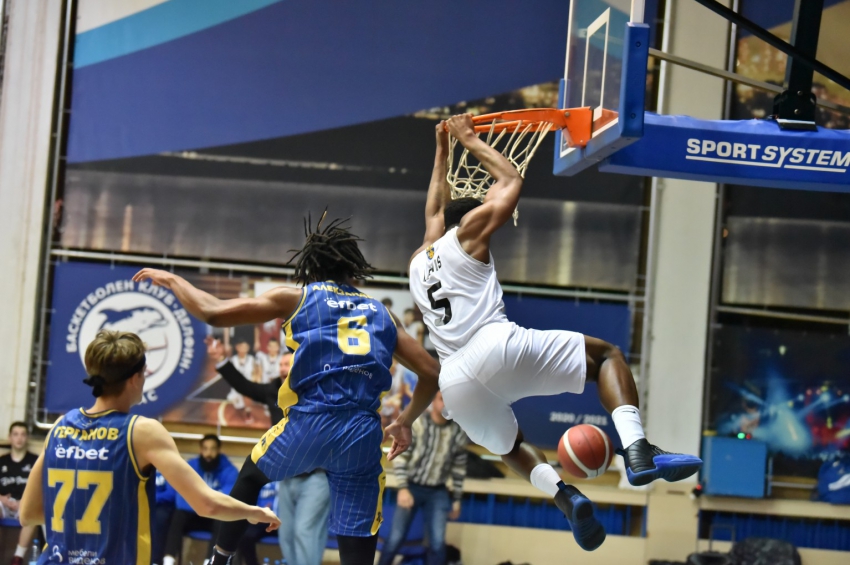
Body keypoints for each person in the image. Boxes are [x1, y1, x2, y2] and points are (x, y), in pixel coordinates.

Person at [407, 116, 703, 551]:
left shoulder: (419, 258)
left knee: (510, 446)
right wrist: (467, 138)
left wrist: (441, 150)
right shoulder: (469, 235)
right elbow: (509, 180)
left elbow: (434, 210)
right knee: (607, 357)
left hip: (455, 384)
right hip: (494, 347)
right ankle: (637, 449)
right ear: (470, 219)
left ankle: (566, 498)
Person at [133, 212, 442, 565]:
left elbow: (213, 312)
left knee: (250, 477)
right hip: (361, 433)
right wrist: (405, 421)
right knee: (356, 536)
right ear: (353, 272)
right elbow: (431, 372)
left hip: (310, 422)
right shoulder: (382, 314)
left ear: (311, 270)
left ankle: (220, 560)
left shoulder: (298, 297)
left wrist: (173, 279)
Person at [18, 330, 279, 565]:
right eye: (145, 371)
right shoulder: (141, 432)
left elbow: (27, 514)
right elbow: (206, 504)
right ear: (135, 378)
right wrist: (253, 512)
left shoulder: (61, 426)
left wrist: (82, 525)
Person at [208, 339, 331, 565]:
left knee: (305, 532)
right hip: (287, 477)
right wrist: (222, 361)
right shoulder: (274, 390)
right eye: (281, 365)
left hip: (316, 477)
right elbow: (244, 386)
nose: (283, 369)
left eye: (288, 364)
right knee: (287, 534)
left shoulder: (315, 390)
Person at [377, 392, 467, 565]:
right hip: (411, 485)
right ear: (433, 400)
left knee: (437, 543)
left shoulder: (457, 432)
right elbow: (401, 457)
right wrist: (402, 488)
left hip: (438, 490)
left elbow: (459, 468)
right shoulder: (418, 424)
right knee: (395, 537)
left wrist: (457, 499)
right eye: (441, 399)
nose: (445, 404)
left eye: (449, 400)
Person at [163, 435, 239, 565]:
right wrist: (210, 500)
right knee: (178, 516)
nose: (208, 453)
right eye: (205, 449)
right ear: (200, 450)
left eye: (212, 449)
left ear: (219, 450)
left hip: (214, 516)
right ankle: (168, 561)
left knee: (223, 520)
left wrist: (197, 498)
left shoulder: (229, 470)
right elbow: (181, 500)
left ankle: (210, 562)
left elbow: (227, 500)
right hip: (194, 514)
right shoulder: (190, 466)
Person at [1, 422, 39, 565]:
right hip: (3, 504)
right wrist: (2, 499)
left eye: (23, 434)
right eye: (15, 434)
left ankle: (18, 557)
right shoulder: (2, 461)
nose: (19, 438)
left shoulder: (35, 461)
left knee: (33, 511)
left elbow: (41, 489)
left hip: (24, 505)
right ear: (10, 437)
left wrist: (23, 501)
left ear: (27, 438)